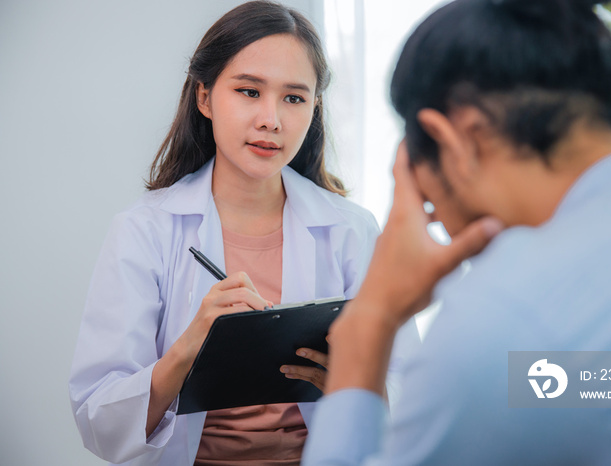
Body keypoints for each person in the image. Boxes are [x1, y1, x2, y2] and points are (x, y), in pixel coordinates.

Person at [302, 0, 611, 464]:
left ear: (456, 139)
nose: (435, 222)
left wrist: (368, 323)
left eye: (426, 201)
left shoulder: (504, 322)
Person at [69, 2, 418, 465]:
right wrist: (190, 347)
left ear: (314, 109)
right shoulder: (144, 230)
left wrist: (356, 387)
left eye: (294, 98)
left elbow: (411, 389)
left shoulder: (351, 230)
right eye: (249, 91)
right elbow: (99, 420)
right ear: (205, 97)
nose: (271, 119)